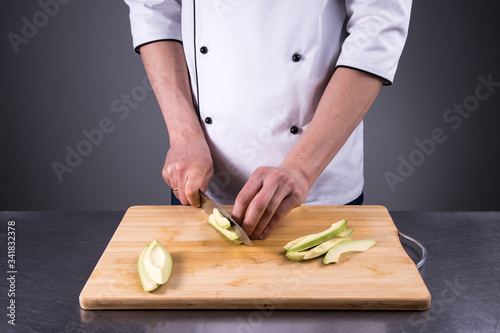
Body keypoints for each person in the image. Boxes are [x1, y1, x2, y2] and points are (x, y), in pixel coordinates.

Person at [123, 0, 412, 239]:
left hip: (317, 187)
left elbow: (378, 26)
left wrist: (301, 170)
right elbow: (154, 9)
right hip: (201, 184)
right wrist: (183, 136)